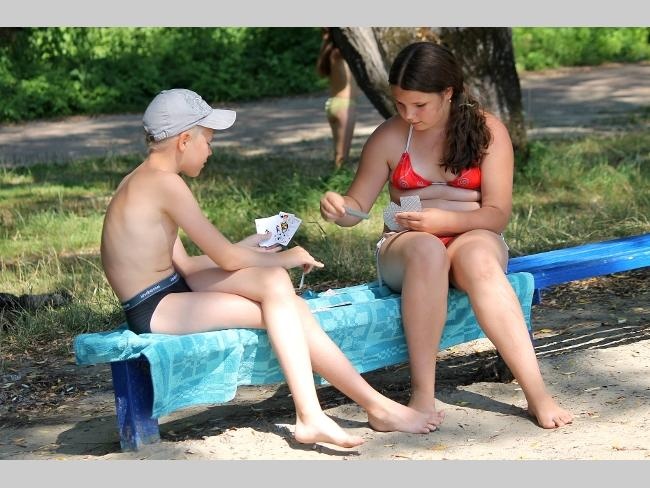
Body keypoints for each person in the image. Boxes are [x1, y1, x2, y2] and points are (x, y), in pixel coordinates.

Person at [100, 88, 442, 449]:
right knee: (283, 295)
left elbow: (186, 263)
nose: (211, 151)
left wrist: (255, 244)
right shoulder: (167, 185)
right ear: (184, 140)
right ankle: (321, 414)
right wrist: (284, 258)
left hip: (169, 290)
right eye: (208, 141)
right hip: (154, 306)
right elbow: (225, 260)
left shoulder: (145, 179)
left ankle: (360, 408)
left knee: (286, 303)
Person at [320, 42, 574, 429]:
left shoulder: (488, 131)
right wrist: (341, 208)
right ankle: (423, 396)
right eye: (400, 103)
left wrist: (444, 221)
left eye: (419, 105)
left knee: (479, 260)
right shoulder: (390, 136)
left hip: (473, 231)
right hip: (406, 242)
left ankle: (538, 394)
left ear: (448, 93)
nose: (409, 114)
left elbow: (497, 214)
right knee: (427, 251)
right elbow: (358, 207)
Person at [317, 28, 359, 169]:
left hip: (333, 104)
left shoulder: (330, 53)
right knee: (342, 158)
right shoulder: (341, 53)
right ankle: (338, 179)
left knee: (338, 154)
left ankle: (336, 176)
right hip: (345, 107)